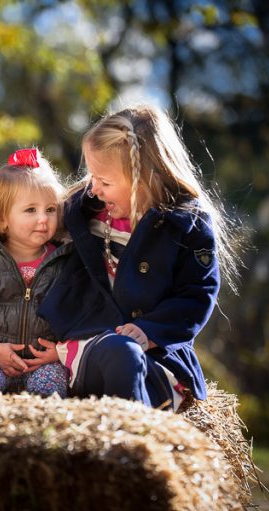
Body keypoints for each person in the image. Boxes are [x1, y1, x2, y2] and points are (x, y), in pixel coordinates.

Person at [38, 103, 244, 411]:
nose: (94, 189)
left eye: (105, 182)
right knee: (117, 352)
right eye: (92, 177)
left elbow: (196, 294)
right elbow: (26, 229)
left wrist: (150, 330)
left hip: (154, 357)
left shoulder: (186, 224)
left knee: (125, 356)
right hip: (89, 347)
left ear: (143, 179)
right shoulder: (82, 211)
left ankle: (133, 445)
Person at [0, 148, 71, 397]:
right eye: (31, 210)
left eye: (50, 209)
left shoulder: (62, 261)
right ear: (2, 218)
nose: (43, 219)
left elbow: (78, 313)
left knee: (51, 391)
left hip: (45, 361)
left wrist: (61, 351)